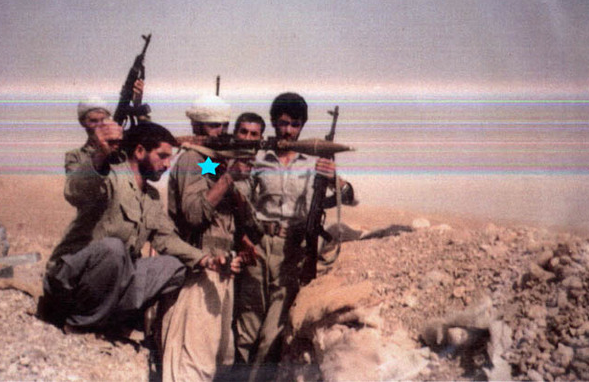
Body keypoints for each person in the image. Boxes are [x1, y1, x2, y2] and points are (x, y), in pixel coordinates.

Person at [41, 119, 225, 334]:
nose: (167, 165)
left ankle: (110, 319)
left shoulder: (151, 196)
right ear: (139, 151)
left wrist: (206, 260)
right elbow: (76, 191)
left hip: (110, 283)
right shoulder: (110, 175)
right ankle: (79, 324)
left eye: (170, 158)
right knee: (113, 249)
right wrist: (100, 155)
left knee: (174, 267)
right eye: (162, 156)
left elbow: (166, 239)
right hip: (70, 279)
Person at [237, 93, 355, 381]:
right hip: (257, 246)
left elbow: (350, 197)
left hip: (292, 251)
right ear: (274, 123)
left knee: (272, 334)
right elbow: (232, 188)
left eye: (295, 125)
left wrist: (334, 178)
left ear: (302, 126)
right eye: (282, 123)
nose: (288, 130)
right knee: (246, 329)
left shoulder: (314, 162)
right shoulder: (259, 158)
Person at [161, 96, 253, 381]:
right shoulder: (191, 159)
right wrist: (229, 178)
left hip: (221, 270)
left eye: (224, 125)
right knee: (193, 362)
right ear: (196, 125)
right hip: (199, 271)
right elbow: (193, 214)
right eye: (213, 126)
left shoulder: (208, 163)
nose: (220, 131)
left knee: (215, 356)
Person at [64, 81, 147, 203]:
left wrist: (138, 109)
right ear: (82, 123)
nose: (99, 125)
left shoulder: (123, 149)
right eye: (93, 121)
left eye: (103, 120)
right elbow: (74, 193)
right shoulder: (76, 156)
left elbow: (149, 146)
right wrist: (100, 155)